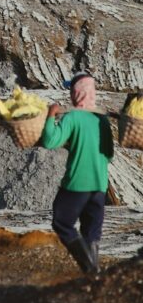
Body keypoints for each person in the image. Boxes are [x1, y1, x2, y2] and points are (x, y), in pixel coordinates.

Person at [41, 72, 114, 274]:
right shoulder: (102, 120)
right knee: (91, 231)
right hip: (100, 184)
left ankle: (91, 270)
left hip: (78, 182)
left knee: (62, 222)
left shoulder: (72, 116)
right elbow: (109, 155)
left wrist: (50, 116)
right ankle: (94, 275)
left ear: (76, 93)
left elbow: (50, 141)